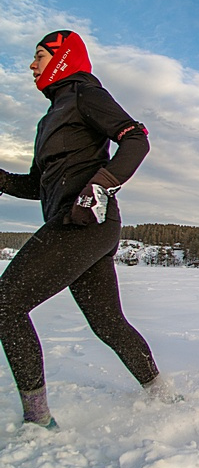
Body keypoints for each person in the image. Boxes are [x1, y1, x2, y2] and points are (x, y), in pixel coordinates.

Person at [0, 30, 173, 430]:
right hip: (77, 226)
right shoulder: (51, 117)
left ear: (63, 57)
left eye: (40, 55)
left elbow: (136, 139)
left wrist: (100, 185)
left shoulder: (84, 94)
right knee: (108, 322)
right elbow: (37, 183)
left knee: (5, 304)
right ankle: (165, 395)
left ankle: (38, 420)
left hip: (86, 224)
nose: (32, 64)